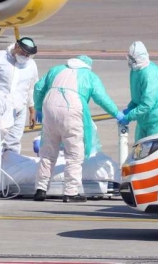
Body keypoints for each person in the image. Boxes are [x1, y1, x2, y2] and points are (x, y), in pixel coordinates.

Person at [32, 55, 124, 203]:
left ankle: (40, 189)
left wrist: (38, 107)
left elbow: (38, 87)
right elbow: (101, 97)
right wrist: (116, 113)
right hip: (72, 109)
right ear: (87, 65)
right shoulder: (89, 76)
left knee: (48, 152)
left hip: (49, 108)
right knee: (74, 154)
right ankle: (70, 192)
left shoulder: (56, 70)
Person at [0, 37, 39, 153]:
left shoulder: (31, 65)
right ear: (16, 47)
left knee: (13, 143)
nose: (25, 56)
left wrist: (32, 109)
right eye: (23, 52)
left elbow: (31, 89)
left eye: (28, 55)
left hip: (18, 111)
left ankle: (11, 167)